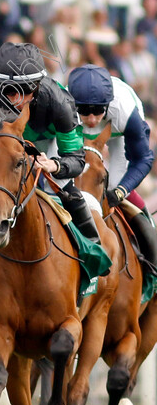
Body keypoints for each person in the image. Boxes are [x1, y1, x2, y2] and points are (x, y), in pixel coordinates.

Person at [0, 42, 101, 288]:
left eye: (23, 91)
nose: (16, 99)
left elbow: (77, 161)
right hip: (5, 145)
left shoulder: (60, 104)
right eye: (9, 91)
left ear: (36, 87)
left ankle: (93, 255)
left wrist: (53, 165)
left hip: (50, 145)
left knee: (65, 187)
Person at [68, 64, 157, 268]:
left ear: (107, 105)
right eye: (84, 111)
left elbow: (143, 160)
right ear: (73, 104)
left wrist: (121, 191)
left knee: (114, 185)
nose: (91, 119)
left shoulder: (126, 112)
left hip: (118, 132)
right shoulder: (62, 106)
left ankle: (151, 254)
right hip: (74, 132)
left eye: (98, 111)